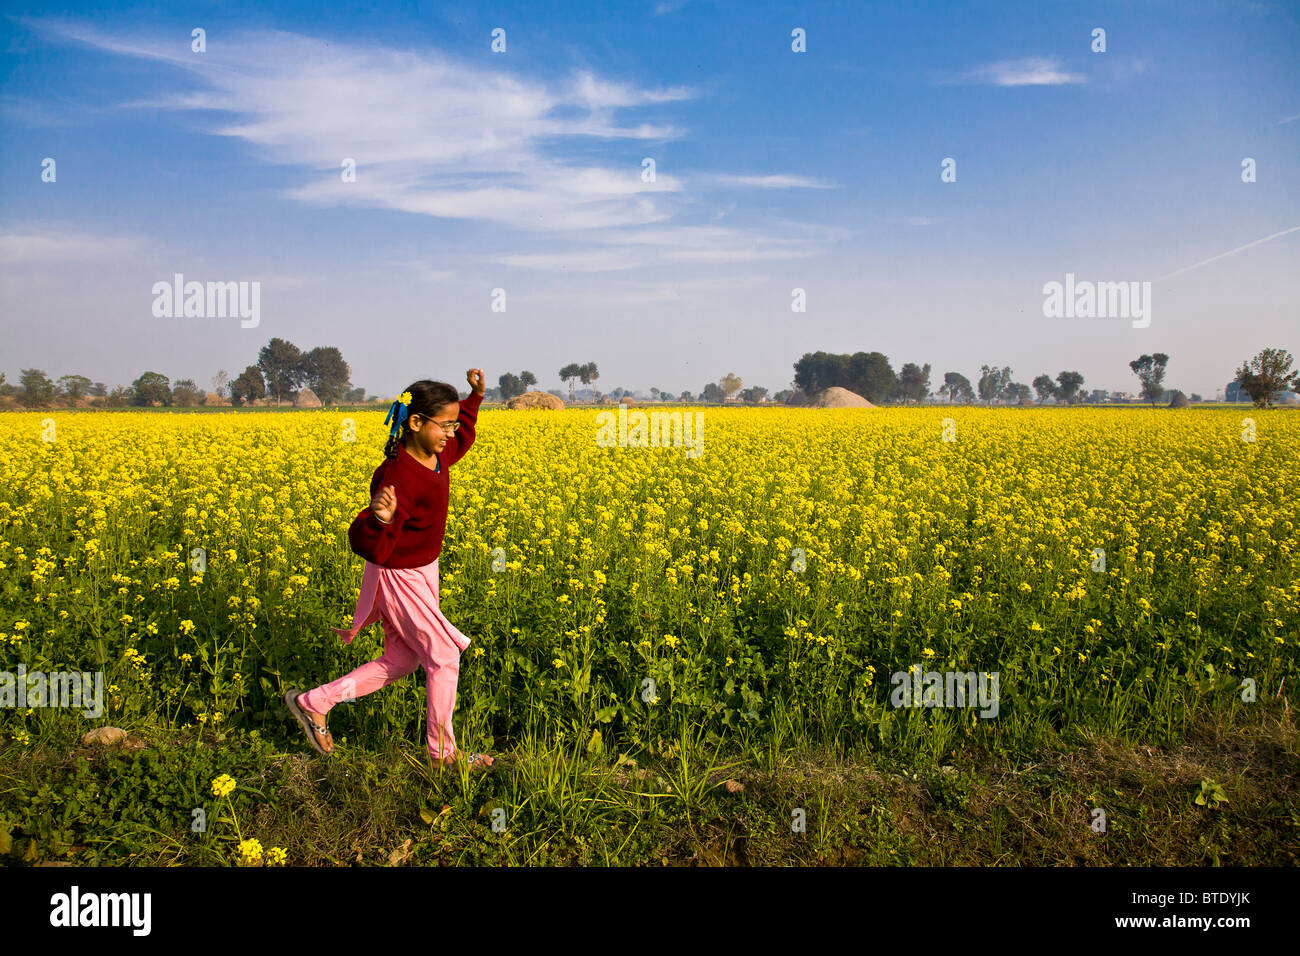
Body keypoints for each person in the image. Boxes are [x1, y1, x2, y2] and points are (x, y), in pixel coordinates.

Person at [285, 369, 494, 771]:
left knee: (403, 660)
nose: (451, 432)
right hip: (399, 574)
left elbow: (462, 435)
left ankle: (315, 702)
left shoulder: (436, 452)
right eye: (444, 424)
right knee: (445, 656)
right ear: (415, 423)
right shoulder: (397, 476)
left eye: (453, 423)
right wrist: (378, 520)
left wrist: (475, 398)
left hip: (423, 570)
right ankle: (443, 756)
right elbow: (367, 543)